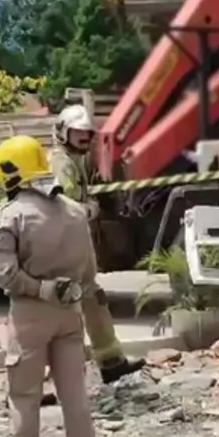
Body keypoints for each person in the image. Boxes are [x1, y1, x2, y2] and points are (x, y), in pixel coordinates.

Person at [0, 135, 96, 437]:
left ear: (9, 173)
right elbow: (90, 269)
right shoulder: (76, 212)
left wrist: (39, 289)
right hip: (70, 312)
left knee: (24, 398)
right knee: (75, 399)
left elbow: (4, 272)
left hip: (31, 315)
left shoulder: (12, 214)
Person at [49, 104, 145, 383]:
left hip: (76, 239)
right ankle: (59, 373)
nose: (85, 138)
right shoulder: (61, 161)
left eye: (87, 134)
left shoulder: (75, 158)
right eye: (79, 133)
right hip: (64, 242)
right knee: (65, 306)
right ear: (64, 132)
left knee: (93, 298)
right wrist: (89, 209)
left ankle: (110, 362)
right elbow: (63, 205)